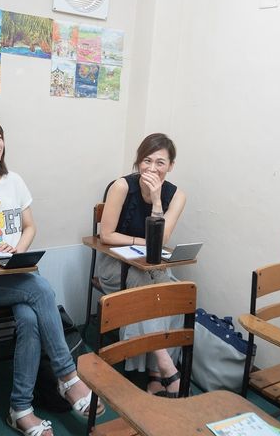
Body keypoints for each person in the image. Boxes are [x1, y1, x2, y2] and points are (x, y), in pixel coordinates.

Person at [0, 114, 103, 436]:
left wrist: (17, 250)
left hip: (14, 273)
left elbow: (29, 227)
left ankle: (20, 409)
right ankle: (68, 377)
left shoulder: (13, 181)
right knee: (41, 290)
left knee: (28, 317)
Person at [96, 133, 187, 397]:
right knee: (146, 290)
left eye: (160, 162)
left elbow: (162, 239)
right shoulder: (122, 186)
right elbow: (106, 235)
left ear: (171, 166)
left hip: (152, 265)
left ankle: (156, 375)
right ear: (138, 162)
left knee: (174, 294)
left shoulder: (177, 195)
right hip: (116, 265)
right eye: (147, 160)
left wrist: (157, 201)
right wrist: (142, 241)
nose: (152, 168)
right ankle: (165, 366)